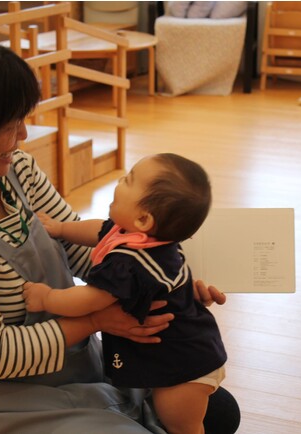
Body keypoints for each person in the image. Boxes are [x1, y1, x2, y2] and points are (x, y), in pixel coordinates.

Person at [0, 34, 240, 434]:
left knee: (218, 411)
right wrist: (96, 320)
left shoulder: (15, 171)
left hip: (70, 366)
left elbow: (91, 256)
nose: (23, 135)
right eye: (10, 125)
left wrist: (164, 286)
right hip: (0, 400)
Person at [23, 153, 226, 434]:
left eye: (129, 180)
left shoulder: (130, 266)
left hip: (184, 366)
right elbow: (99, 230)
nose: (120, 180)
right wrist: (61, 229)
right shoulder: (138, 237)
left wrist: (47, 298)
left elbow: (89, 300)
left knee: (181, 426)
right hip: (188, 348)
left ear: (143, 219)